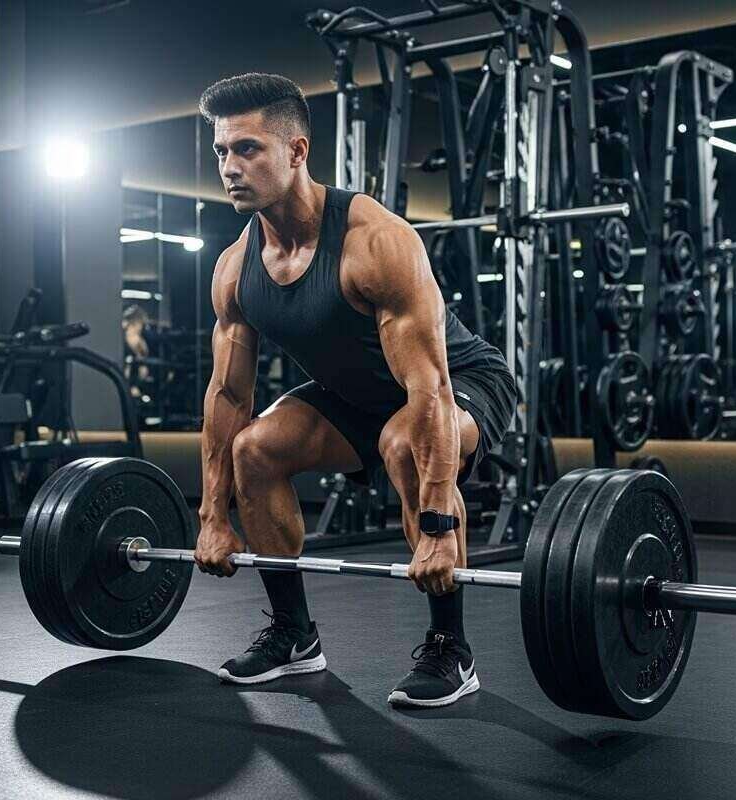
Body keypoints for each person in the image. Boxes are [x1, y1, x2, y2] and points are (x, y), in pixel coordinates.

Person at [192, 73, 517, 709]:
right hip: (353, 396)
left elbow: (428, 388)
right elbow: (228, 398)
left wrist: (441, 528)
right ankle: (294, 635)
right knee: (254, 449)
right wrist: (211, 516)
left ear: (296, 151)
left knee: (402, 441)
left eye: (247, 149)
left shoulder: (375, 241)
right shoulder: (235, 268)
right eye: (221, 153)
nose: (230, 167)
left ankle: (451, 647)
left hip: (461, 384)